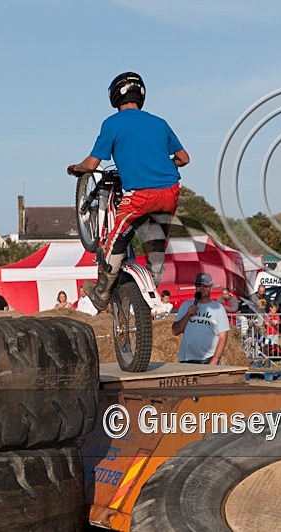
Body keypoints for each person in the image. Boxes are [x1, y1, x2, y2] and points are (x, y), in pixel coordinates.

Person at [67, 72, 190, 311]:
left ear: (114, 96)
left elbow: (91, 164)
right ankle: (151, 285)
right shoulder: (159, 122)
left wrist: (76, 168)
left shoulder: (112, 123)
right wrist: (164, 165)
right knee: (156, 240)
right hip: (171, 192)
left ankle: (102, 292)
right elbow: (184, 158)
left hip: (141, 195)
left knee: (116, 240)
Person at [172, 272, 229, 365]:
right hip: (186, 358)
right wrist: (187, 315)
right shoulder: (186, 305)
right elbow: (175, 331)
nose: (201, 288)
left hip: (208, 359)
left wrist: (215, 359)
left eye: (205, 286)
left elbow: (223, 336)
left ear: (210, 287)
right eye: (198, 285)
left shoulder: (218, 308)